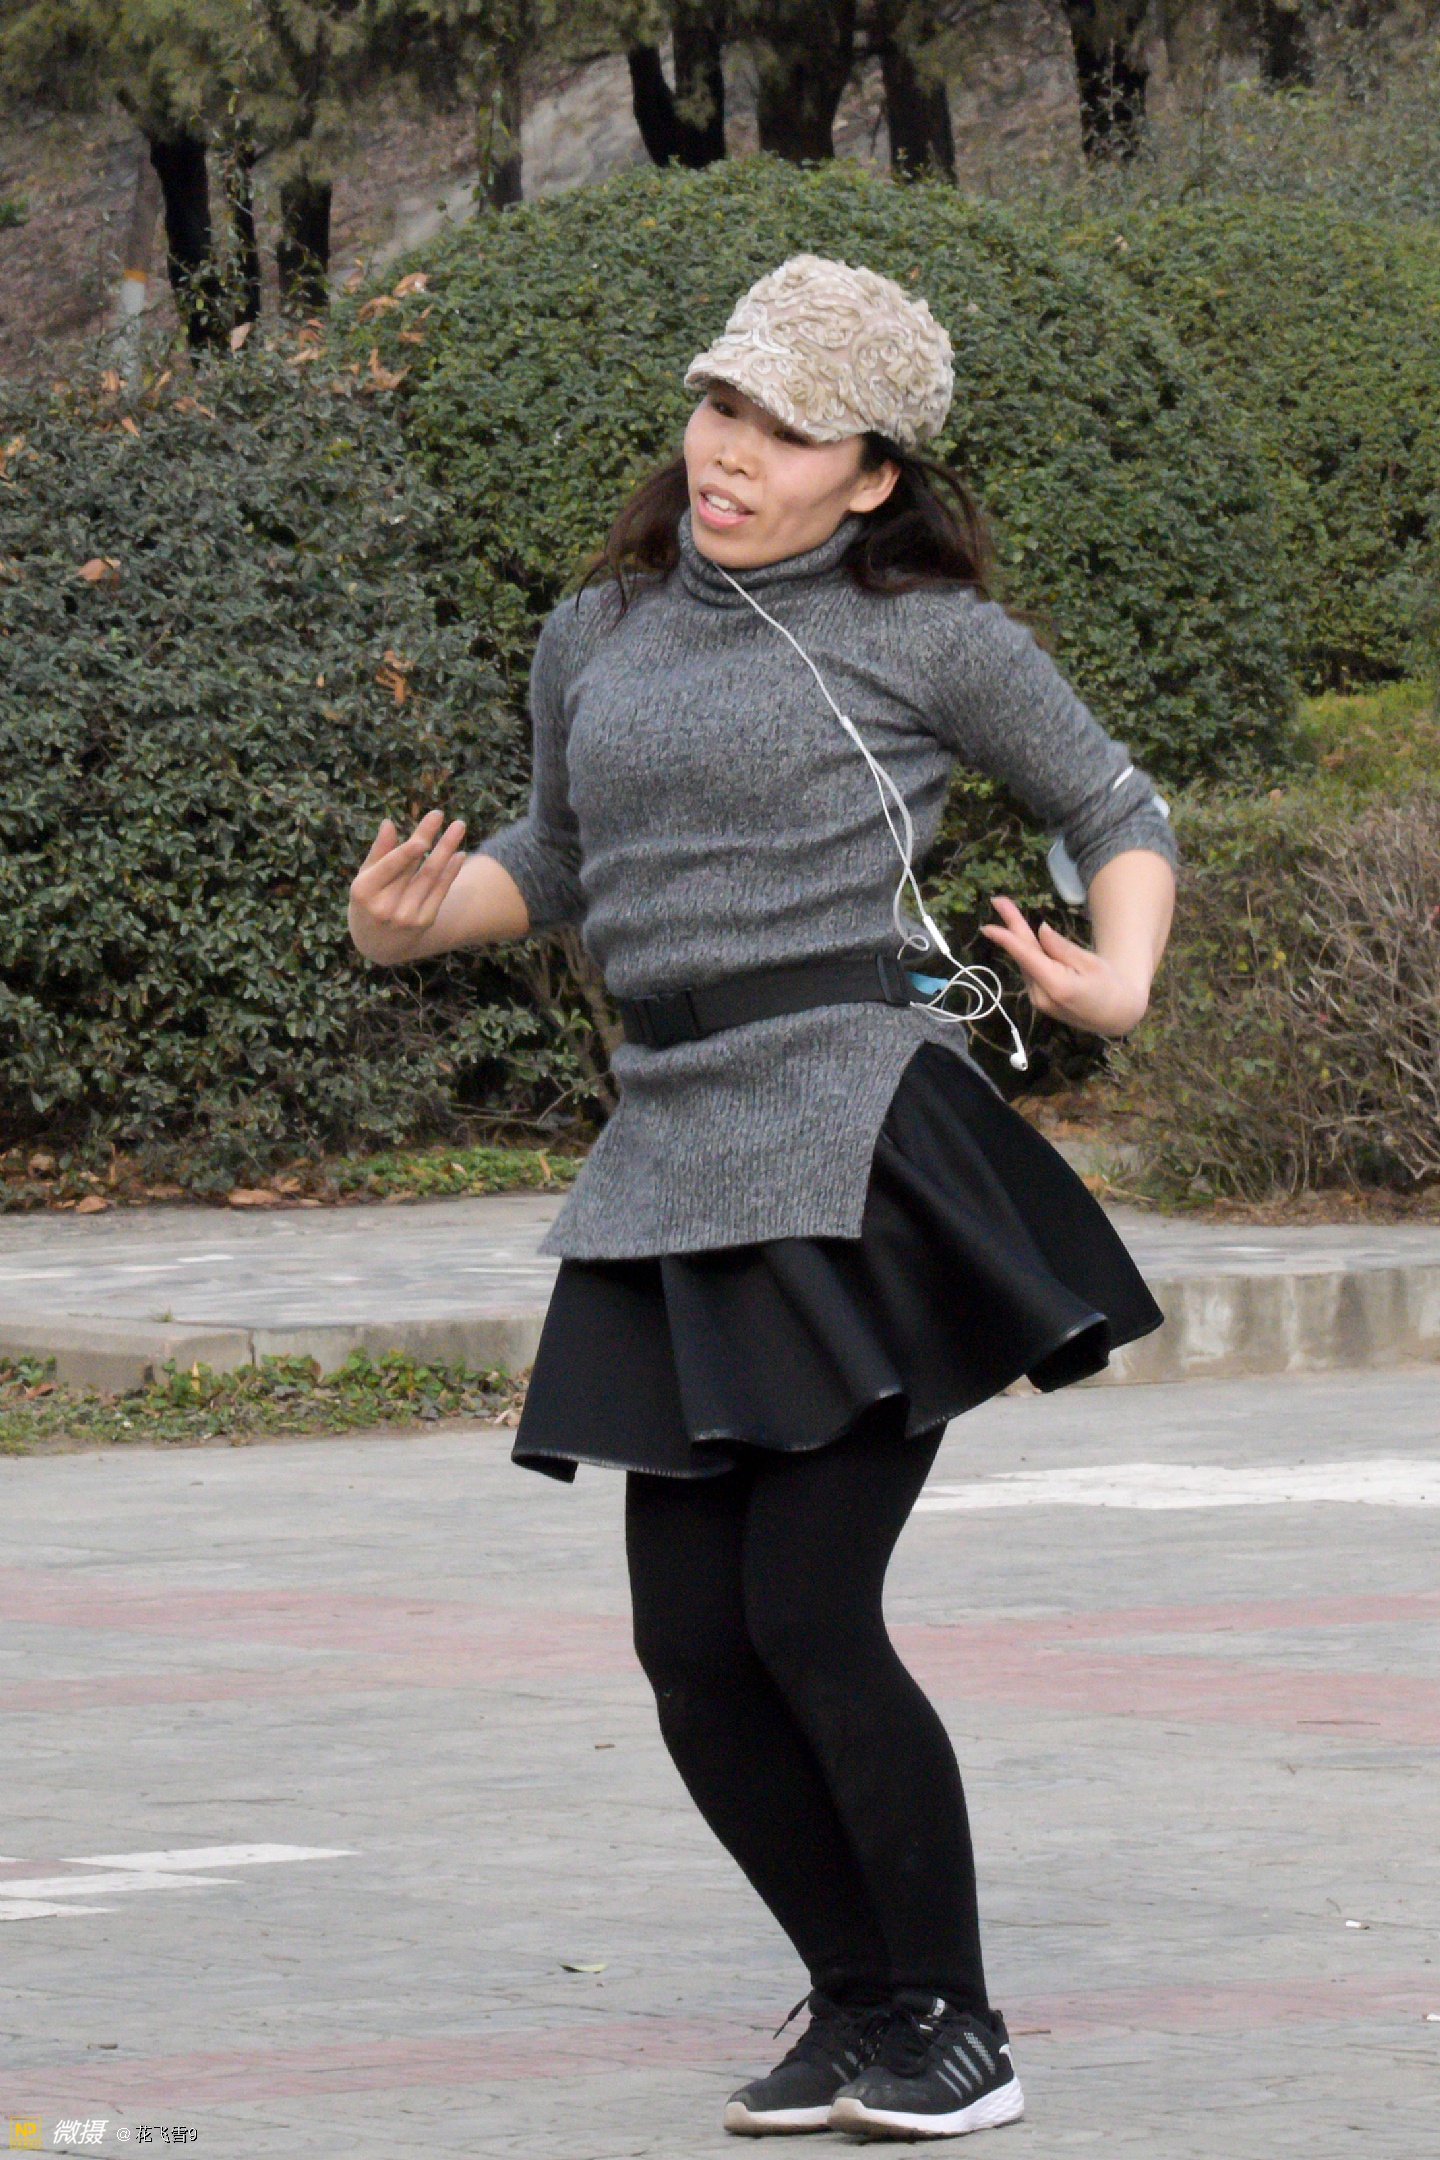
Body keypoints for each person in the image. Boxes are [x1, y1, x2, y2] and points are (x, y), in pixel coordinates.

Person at [348, 253, 1177, 2142]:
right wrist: (416, 919)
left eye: (787, 431)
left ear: (870, 476)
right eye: (722, 407)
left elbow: (1116, 809)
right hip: (667, 1148)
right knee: (691, 1655)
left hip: (853, 1130)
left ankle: (959, 2025)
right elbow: (556, 862)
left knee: (807, 1614)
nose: (729, 453)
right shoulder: (599, 629)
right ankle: (862, 2001)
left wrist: (1119, 975)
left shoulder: (931, 635)